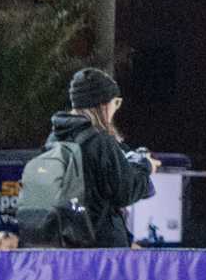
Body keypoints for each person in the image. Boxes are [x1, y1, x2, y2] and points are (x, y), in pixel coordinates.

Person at [27, 67, 156, 248]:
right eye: (115, 102)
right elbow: (124, 192)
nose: (115, 109)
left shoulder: (54, 139)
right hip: (101, 247)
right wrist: (145, 166)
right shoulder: (99, 141)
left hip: (64, 245)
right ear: (103, 105)